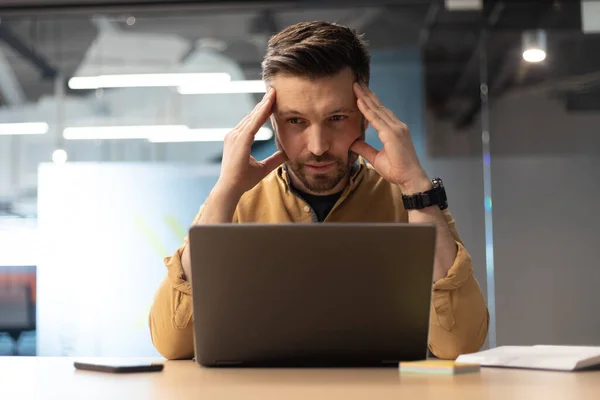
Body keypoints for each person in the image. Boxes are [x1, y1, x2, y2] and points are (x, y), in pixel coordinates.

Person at [149, 21, 489, 360]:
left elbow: (457, 343)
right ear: (271, 121)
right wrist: (225, 191)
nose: (317, 146)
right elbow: (172, 342)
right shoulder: (236, 203)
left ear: (366, 117)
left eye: (337, 118)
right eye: (295, 121)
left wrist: (415, 184)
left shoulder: (411, 201)